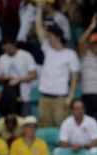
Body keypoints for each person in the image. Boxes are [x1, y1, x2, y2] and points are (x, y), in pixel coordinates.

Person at [34, 0, 81, 128]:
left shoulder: (70, 54)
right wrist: (39, 9)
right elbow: (39, 29)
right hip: (44, 97)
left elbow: (74, 77)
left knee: (61, 127)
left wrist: (70, 97)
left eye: (50, 36)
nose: (48, 38)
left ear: (57, 37)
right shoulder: (47, 49)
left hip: (60, 97)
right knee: (44, 128)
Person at [0, 38, 38, 117]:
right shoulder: (2, 58)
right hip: (9, 96)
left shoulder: (25, 55)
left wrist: (18, 80)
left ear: (14, 45)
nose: (7, 51)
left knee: (24, 120)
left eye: (9, 48)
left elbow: (34, 75)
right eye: (5, 49)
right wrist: (6, 77)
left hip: (24, 96)